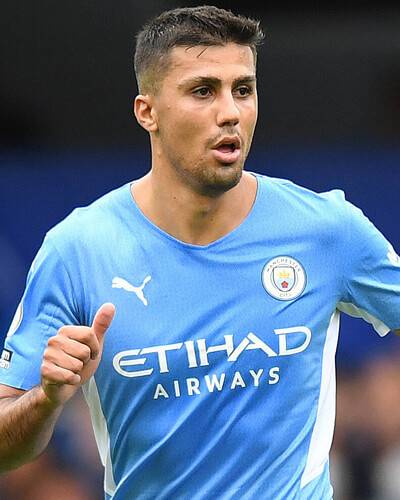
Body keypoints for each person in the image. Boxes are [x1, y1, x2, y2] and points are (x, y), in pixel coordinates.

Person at [0, 5, 399, 499]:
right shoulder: (77, 250)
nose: (230, 112)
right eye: (203, 91)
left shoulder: (326, 230)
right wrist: (47, 400)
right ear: (147, 112)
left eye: (243, 89)